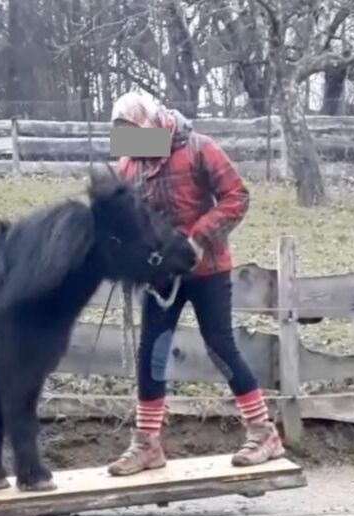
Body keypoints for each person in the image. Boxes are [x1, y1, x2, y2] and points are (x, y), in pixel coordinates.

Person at [107, 90, 285, 476]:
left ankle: (263, 432)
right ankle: (148, 444)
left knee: (220, 347)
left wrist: (199, 236)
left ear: (152, 124)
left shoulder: (199, 149)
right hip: (162, 276)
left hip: (208, 268)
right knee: (151, 353)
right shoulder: (128, 166)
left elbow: (236, 196)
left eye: (134, 132)